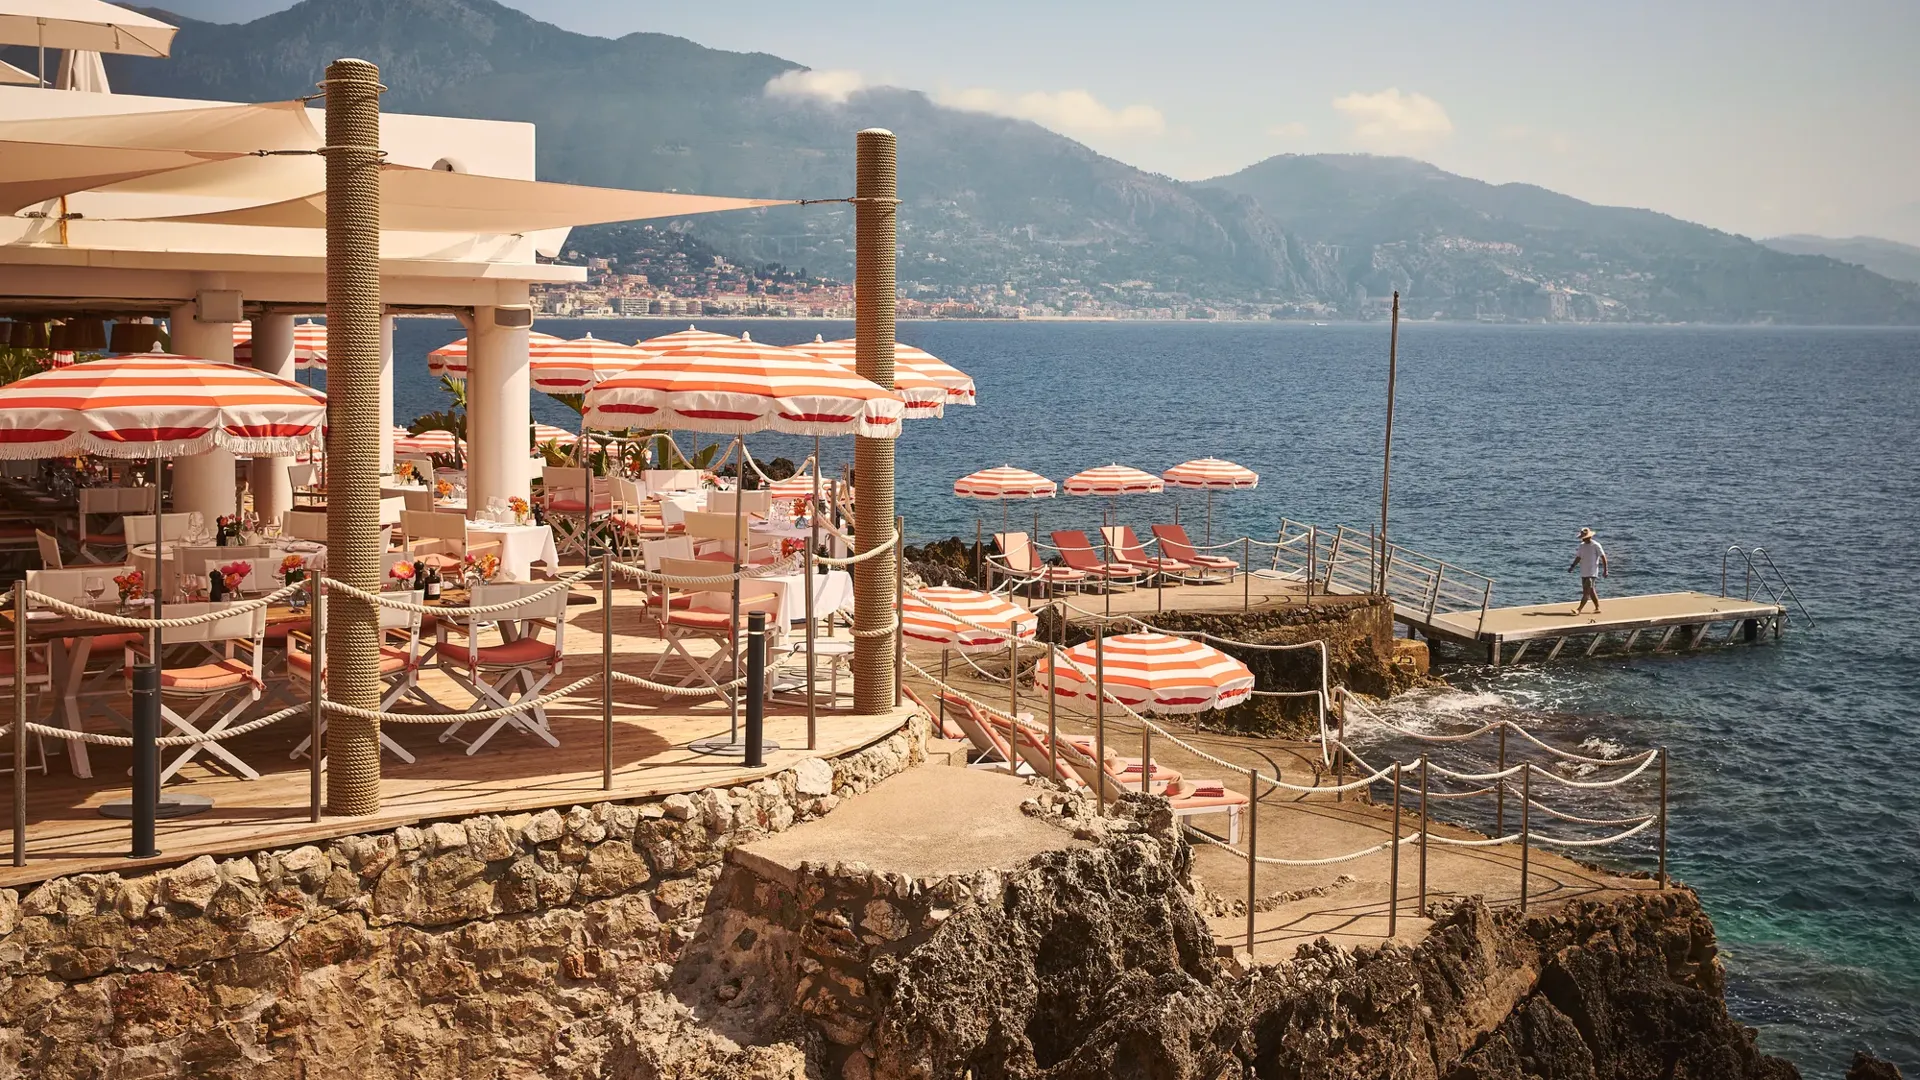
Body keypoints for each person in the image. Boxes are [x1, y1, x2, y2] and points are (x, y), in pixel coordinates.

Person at [1567, 527, 1608, 613]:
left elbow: (1603, 557)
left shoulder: (1596, 545)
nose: (1584, 539)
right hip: (1584, 572)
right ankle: (1597, 608)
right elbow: (1578, 557)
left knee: (1586, 592)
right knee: (1591, 590)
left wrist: (1605, 570)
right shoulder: (1582, 546)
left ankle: (1579, 609)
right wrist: (1572, 566)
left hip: (1592, 572)